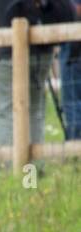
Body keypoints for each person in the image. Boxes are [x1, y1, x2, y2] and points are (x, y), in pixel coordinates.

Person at [0, 0, 61, 148]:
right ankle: (33, 167)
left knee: (5, 112)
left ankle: (7, 165)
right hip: (42, 54)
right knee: (35, 110)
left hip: (9, 55)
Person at [61, 2, 81, 139]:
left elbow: (76, 10)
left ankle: (75, 145)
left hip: (74, 48)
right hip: (73, 47)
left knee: (72, 102)